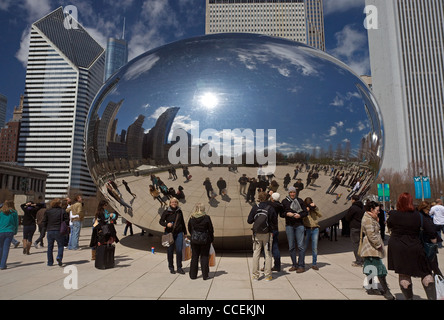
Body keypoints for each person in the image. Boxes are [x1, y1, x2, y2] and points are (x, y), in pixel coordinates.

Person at [387, 192, 437, 300]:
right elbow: (431, 231)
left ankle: (409, 298)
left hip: (397, 247)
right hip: (415, 247)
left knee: (404, 274)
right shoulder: (418, 215)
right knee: (426, 273)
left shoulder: (393, 214)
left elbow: (389, 226)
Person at [360, 201, 395, 300]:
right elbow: (371, 234)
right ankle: (386, 291)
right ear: (371, 209)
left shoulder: (371, 218)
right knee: (380, 269)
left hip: (371, 247)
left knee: (370, 267)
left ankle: (371, 289)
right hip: (371, 247)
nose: (379, 212)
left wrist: (376, 219)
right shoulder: (367, 219)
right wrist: (378, 245)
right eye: (377, 210)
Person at [247, 192, 277, 281]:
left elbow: (249, 221)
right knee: (268, 254)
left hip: (257, 234)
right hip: (267, 234)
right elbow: (274, 222)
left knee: (256, 253)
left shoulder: (255, 207)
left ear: (259, 198)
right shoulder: (270, 208)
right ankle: (268, 275)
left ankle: (255, 275)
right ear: (267, 198)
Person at [281, 186, 308, 273]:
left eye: (294, 192)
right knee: (291, 246)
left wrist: (300, 215)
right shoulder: (284, 201)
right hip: (289, 225)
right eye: (291, 192)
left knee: (300, 246)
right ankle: (294, 265)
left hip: (299, 225)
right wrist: (287, 214)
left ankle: (301, 265)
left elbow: (305, 212)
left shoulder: (300, 201)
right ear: (288, 193)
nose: (292, 194)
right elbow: (281, 213)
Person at [159, 197, 187, 274]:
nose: (174, 203)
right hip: (169, 233)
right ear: (170, 203)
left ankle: (179, 267)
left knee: (179, 250)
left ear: (177, 203)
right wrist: (166, 224)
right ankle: (171, 267)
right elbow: (161, 221)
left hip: (179, 233)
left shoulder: (179, 211)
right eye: (172, 202)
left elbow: (182, 222)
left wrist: (185, 233)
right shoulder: (166, 211)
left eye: (175, 202)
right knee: (170, 250)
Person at [188, 203, 214, 280]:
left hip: (195, 239)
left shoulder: (192, 217)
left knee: (194, 257)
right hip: (205, 240)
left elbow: (189, 228)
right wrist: (211, 239)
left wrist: (193, 234)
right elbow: (211, 230)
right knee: (204, 256)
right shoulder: (206, 217)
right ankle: (205, 275)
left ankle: (193, 275)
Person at [418, 201, 442, 277]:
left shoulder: (422, 216)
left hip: (425, 241)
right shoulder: (423, 217)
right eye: (428, 209)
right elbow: (430, 229)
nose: (429, 211)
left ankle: (437, 275)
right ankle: (439, 277)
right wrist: (433, 238)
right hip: (427, 241)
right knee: (433, 262)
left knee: (432, 262)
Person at [42, 198, 69, 266]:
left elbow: (44, 221)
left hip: (50, 230)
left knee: (50, 247)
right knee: (60, 245)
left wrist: (44, 229)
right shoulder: (62, 211)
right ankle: (59, 257)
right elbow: (67, 220)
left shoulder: (48, 211)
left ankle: (50, 262)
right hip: (59, 230)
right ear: (59, 204)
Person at [302, 197, 322, 270]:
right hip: (307, 229)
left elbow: (320, 215)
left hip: (315, 228)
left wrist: (315, 208)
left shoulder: (314, 209)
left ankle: (314, 264)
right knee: (304, 247)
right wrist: (306, 211)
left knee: (314, 248)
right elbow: (302, 219)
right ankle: (301, 262)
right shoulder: (304, 209)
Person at [345, 195, 365, 267]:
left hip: (354, 227)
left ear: (353, 200)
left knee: (355, 244)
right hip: (362, 228)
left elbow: (347, 217)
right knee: (361, 244)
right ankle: (362, 259)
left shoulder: (353, 208)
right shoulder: (362, 208)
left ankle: (358, 261)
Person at [0, 200, 19, 270]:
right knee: (6, 248)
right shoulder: (13, 212)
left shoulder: (0, 212)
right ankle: (2, 264)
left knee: (0, 248)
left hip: (0, 231)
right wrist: (15, 231)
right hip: (9, 231)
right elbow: (16, 223)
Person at [267, 192, 283, 271]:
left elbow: (263, 200)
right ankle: (277, 265)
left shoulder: (270, 204)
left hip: (269, 229)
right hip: (275, 228)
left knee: (266, 248)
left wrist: (268, 194)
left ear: (272, 198)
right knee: (275, 247)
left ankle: (266, 265)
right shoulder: (279, 205)